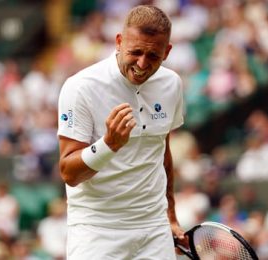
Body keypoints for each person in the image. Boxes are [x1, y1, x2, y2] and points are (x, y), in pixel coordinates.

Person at [57, 5, 186, 259]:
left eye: (153, 56)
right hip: (96, 230)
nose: (142, 64)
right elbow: (68, 172)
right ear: (118, 41)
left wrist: (170, 216)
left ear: (167, 51)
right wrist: (108, 145)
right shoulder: (80, 88)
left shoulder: (172, 84)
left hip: (154, 229)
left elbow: (163, 153)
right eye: (135, 52)